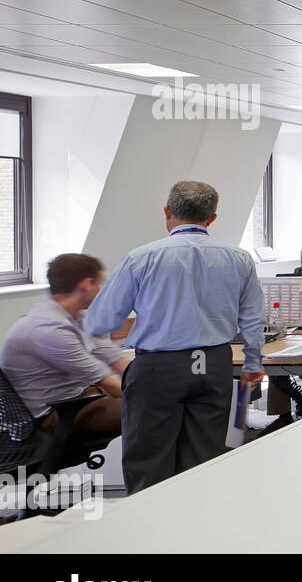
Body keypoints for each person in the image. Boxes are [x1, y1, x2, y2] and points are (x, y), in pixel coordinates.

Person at [85, 181, 265, 494]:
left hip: (158, 368)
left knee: (148, 459)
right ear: (212, 218)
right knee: (204, 457)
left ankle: (151, 536)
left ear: (167, 211)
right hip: (215, 366)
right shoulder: (239, 259)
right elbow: (252, 317)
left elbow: (100, 321)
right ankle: (193, 532)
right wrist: (252, 362)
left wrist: (116, 358)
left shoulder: (140, 258)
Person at [0, 254, 131, 434]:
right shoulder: (49, 328)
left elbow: (114, 359)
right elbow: (107, 383)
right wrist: (154, 400)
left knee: (154, 403)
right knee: (149, 410)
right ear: (86, 284)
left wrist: (150, 385)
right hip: (53, 415)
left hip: (76, 399)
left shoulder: (72, 319)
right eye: (99, 284)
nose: (101, 290)